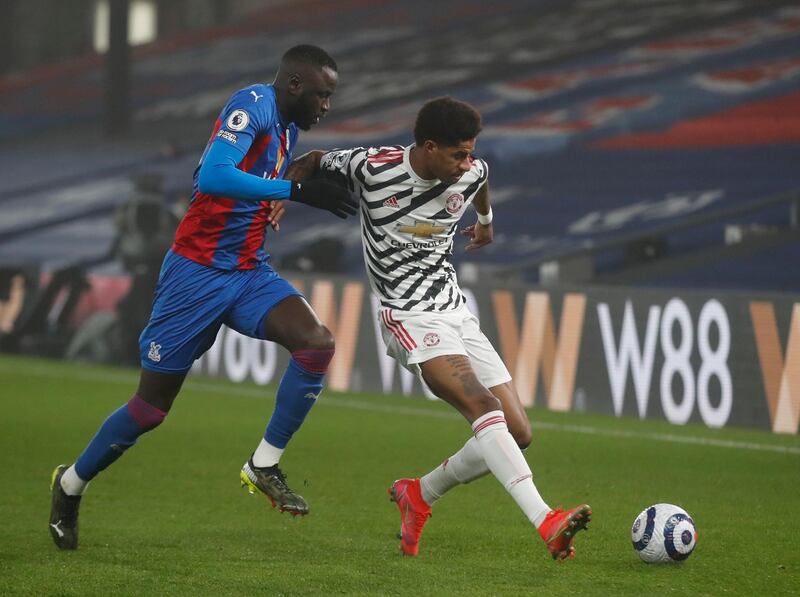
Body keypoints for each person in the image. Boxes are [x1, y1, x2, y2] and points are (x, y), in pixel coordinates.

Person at [49, 44, 358, 550]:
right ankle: (70, 485)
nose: (327, 105)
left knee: (317, 344)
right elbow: (212, 176)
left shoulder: (288, 127)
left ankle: (264, 464)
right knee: (149, 410)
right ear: (295, 84)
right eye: (322, 94)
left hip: (247, 272)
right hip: (194, 275)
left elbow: (239, 182)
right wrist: (294, 193)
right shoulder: (253, 105)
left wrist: (282, 191)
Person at [288, 97, 591, 561]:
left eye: (470, 153)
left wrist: (485, 223)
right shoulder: (372, 167)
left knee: (517, 430)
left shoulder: (470, 172)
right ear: (428, 147)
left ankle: (420, 493)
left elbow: (482, 179)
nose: (467, 164)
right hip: (407, 315)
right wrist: (276, 203)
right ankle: (546, 520)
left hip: (455, 311)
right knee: (483, 406)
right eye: (457, 155)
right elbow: (308, 162)